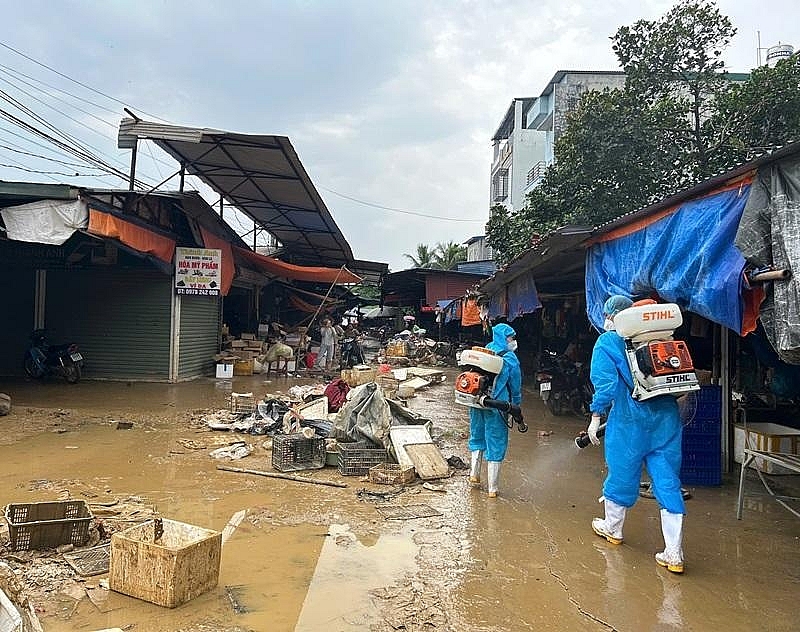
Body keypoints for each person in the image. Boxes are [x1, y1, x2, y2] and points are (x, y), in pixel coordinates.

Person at [586, 295, 686, 574]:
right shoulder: (660, 340)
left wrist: (595, 417)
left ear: (612, 316)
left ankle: (613, 529)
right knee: (668, 482)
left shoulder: (607, 342)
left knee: (621, 474)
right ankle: (674, 554)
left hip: (629, 422)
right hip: (666, 419)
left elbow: (605, 386)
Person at [468, 322, 522, 498]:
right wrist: (516, 405)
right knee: (496, 443)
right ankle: (492, 489)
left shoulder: (484, 351)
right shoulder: (510, 357)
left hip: (477, 402)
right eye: (510, 337)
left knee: (477, 437)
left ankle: (474, 476)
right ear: (503, 337)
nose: (513, 340)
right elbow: (515, 385)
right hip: (498, 405)